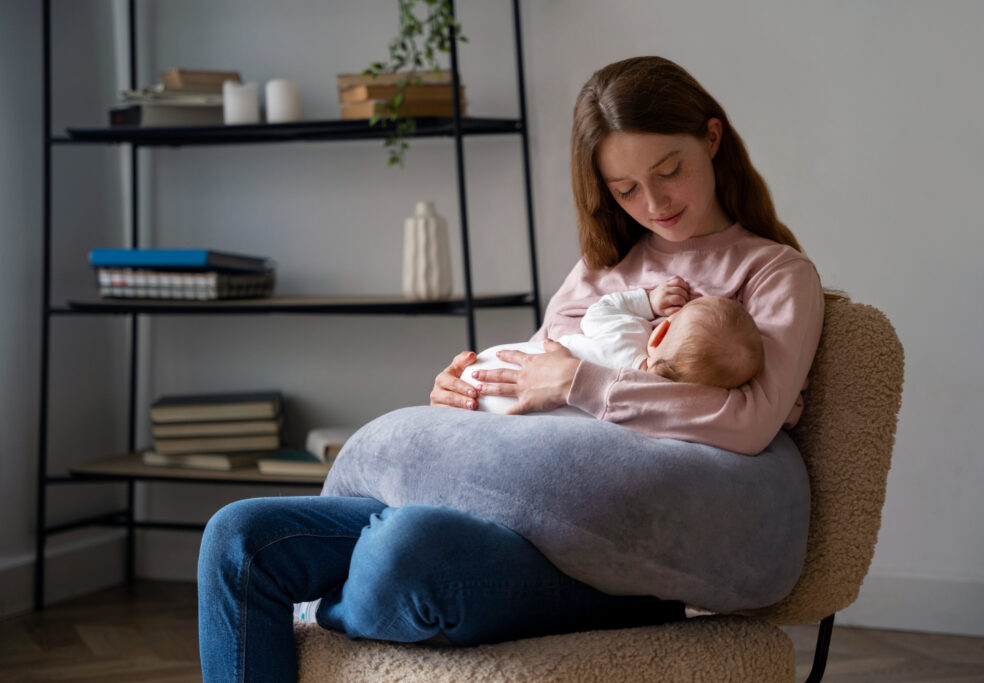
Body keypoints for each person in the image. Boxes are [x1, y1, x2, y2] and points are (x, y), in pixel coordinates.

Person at [198, 55, 824, 682]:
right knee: (238, 537)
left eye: (669, 171)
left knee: (405, 549)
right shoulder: (601, 272)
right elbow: (535, 389)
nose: (654, 202)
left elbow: (750, 421)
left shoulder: (772, 274)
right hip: (498, 512)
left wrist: (580, 383)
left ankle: (325, 606)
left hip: (606, 557)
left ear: (711, 140)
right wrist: (469, 396)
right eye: (626, 189)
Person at [461, 276, 765, 416]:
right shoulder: (648, 404)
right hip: (509, 414)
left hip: (486, 369)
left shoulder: (629, 332)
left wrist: (648, 301)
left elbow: (601, 309)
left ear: (659, 334)